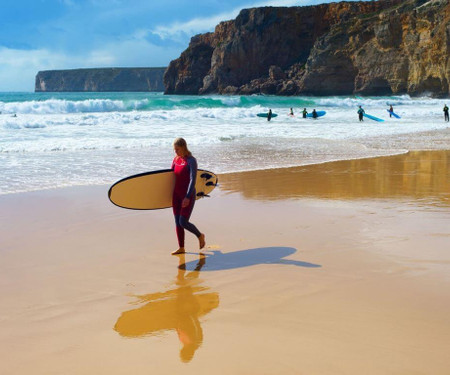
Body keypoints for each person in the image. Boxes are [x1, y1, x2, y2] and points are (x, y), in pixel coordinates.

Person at [171, 138, 205, 255]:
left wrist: (187, 196)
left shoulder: (191, 161)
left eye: (177, 149)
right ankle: (181, 247)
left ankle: (200, 235)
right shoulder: (176, 160)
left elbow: (192, 179)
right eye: (174, 150)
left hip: (187, 195)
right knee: (177, 222)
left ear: (184, 147)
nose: (175, 152)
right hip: (176, 195)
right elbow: (170, 177)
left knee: (183, 222)